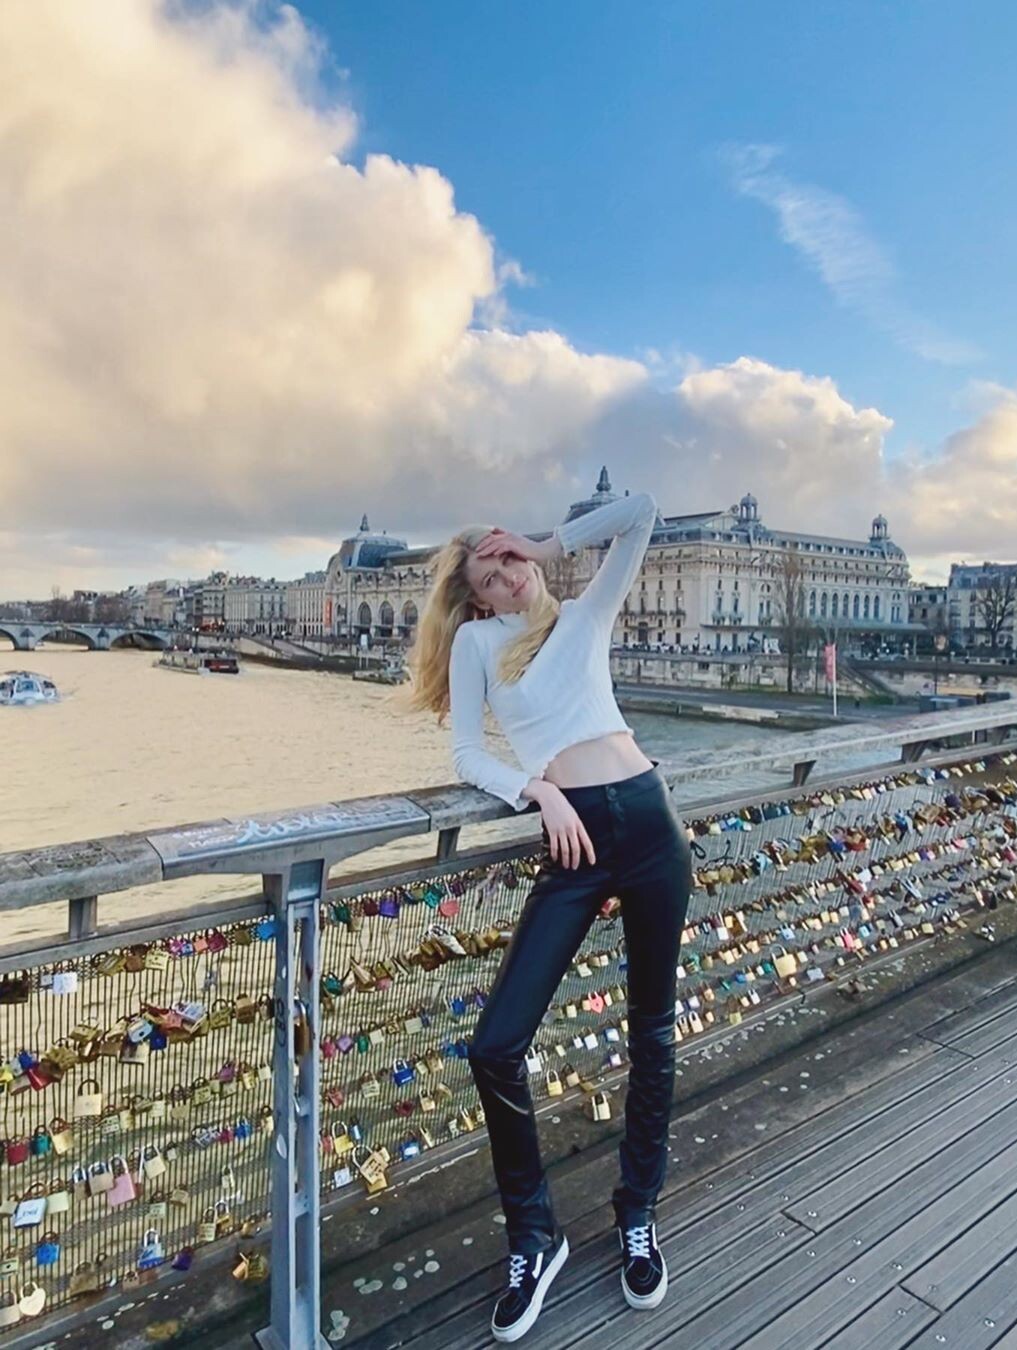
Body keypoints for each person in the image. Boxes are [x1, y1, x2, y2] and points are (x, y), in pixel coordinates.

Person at [407, 490, 691, 1342]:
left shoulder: (585, 613)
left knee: (653, 1034)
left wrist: (546, 540)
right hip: (573, 839)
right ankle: (535, 1238)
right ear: (475, 601)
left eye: (508, 557)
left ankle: (637, 1214)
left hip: (650, 824)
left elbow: (642, 511)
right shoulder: (478, 644)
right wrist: (537, 791)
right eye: (489, 574)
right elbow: (466, 752)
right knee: (496, 1044)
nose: (507, 574)